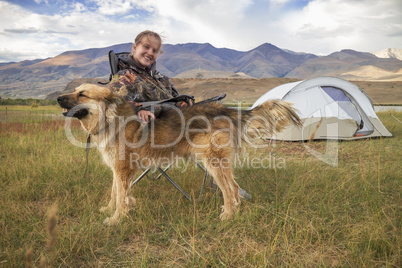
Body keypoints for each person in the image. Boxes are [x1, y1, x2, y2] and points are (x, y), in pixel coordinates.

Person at [108, 30, 192, 122]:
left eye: (154, 51)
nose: (150, 53)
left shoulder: (161, 78)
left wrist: (185, 102)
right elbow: (114, 104)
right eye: (146, 47)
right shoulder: (123, 77)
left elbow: (176, 98)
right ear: (135, 47)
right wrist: (138, 110)